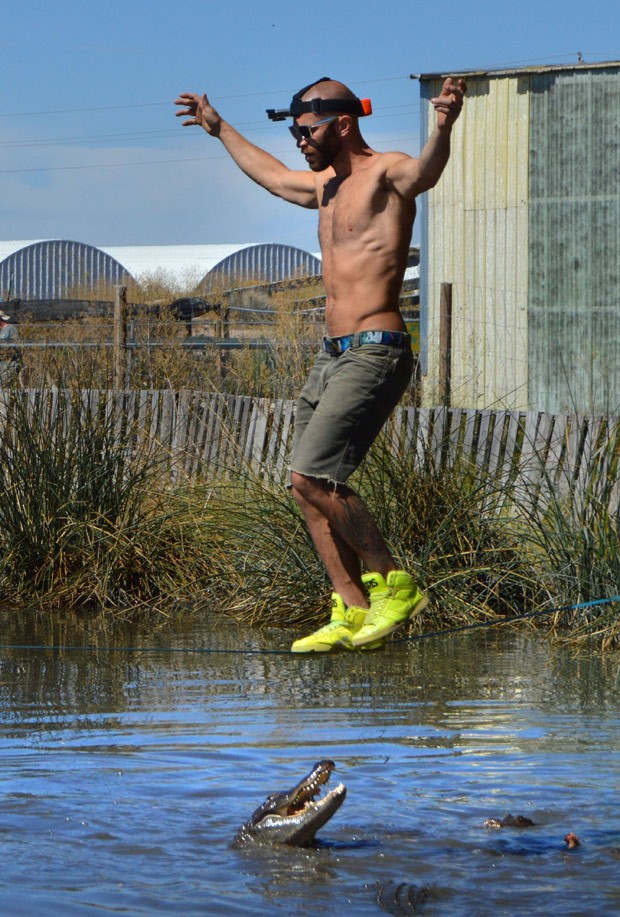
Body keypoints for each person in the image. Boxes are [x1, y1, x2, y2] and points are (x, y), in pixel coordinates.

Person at [175, 74, 466, 652]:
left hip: (376, 350)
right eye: (293, 130)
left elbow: (426, 173)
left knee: (317, 476)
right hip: (330, 356)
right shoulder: (326, 187)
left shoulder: (386, 172)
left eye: (305, 130)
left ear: (343, 123)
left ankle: (395, 583)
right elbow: (271, 176)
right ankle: (352, 607)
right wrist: (219, 128)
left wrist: (444, 126)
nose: (298, 141)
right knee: (300, 486)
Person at [0, 310, 21, 386]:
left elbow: (17, 345)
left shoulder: (11, 329)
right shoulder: (1, 331)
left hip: (10, 364)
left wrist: (6, 351)